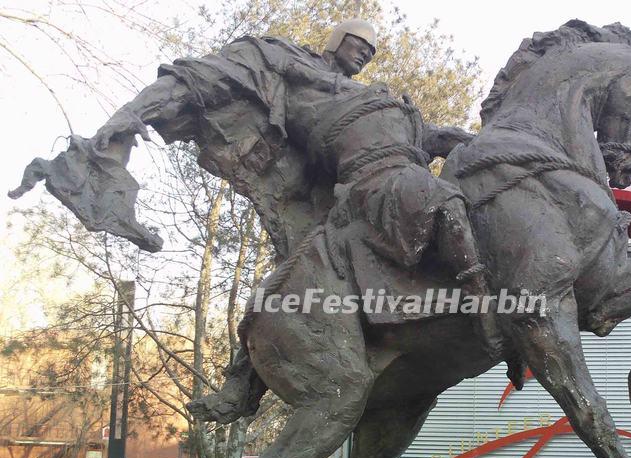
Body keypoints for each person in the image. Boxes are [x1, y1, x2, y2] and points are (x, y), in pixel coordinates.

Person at [12, 19, 501, 423]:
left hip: (379, 182)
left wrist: (477, 144)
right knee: (294, 280)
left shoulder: (365, 97)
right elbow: (205, 77)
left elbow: (418, 133)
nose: (364, 56)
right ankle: (242, 381)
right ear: (335, 41)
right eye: (358, 45)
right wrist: (127, 120)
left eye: (371, 53)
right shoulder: (285, 63)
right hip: (330, 195)